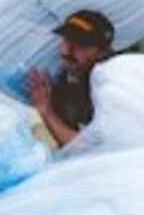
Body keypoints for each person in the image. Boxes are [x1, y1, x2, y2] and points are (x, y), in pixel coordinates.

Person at [27, 10, 115, 147]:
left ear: (102, 52)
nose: (67, 51)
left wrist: (47, 111)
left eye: (81, 45)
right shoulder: (66, 80)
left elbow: (89, 150)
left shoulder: (108, 89)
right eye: (67, 40)